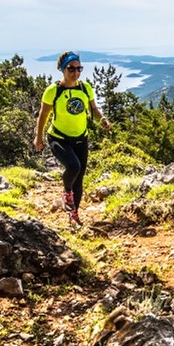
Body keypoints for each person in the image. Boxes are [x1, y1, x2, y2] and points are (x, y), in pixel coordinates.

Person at [34, 51, 112, 225]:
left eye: (79, 68)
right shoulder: (53, 91)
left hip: (81, 139)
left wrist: (103, 120)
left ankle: (74, 215)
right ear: (63, 69)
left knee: (79, 178)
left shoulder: (85, 88)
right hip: (58, 137)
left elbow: (93, 109)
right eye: (71, 68)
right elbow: (43, 115)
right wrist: (38, 138)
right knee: (73, 166)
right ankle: (66, 192)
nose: (76, 72)